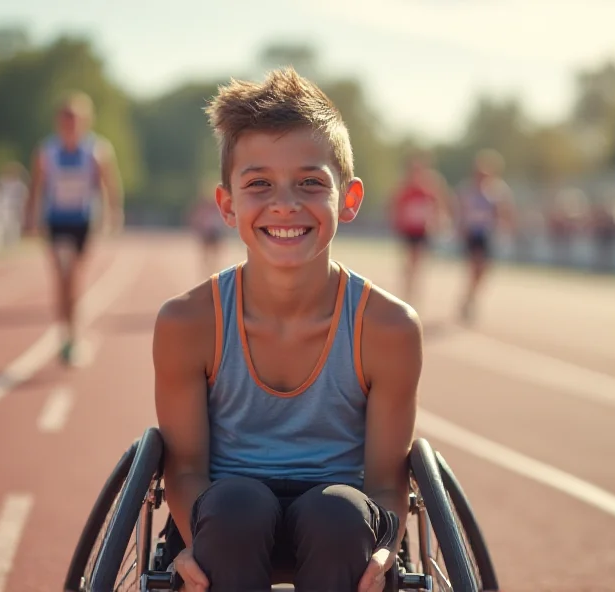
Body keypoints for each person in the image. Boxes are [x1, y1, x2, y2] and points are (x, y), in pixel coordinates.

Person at [152, 67, 422, 592]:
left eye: (310, 182)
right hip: (223, 522)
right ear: (227, 204)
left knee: (337, 513)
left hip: (342, 530)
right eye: (258, 184)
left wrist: (386, 548)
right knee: (237, 507)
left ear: (349, 198)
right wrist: (191, 545)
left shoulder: (387, 328)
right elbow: (184, 471)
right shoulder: (188, 323)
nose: (285, 203)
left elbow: (389, 481)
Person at [25, 92, 124, 365]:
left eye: (75, 119)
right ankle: (67, 337)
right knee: (62, 279)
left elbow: (109, 184)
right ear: (59, 121)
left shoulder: (97, 150)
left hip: (83, 222)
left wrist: (113, 213)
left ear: (85, 121)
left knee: (74, 280)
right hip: (56, 221)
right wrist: (29, 217)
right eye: (66, 119)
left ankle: (71, 334)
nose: (70, 124)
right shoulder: (47, 150)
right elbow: (36, 185)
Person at [451, 149, 515, 323]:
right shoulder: (467, 190)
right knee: (475, 266)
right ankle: (469, 299)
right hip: (472, 233)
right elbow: (460, 211)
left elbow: (505, 210)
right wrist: (459, 228)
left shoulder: (497, 190)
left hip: (488, 233)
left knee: (483, 270)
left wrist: (506, 227)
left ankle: (470, 296)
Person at [388, 154, 448, 308]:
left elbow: (438, 205)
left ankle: (413, 293)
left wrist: (438, 221)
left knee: (418, 262)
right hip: (408, 230)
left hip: (423, 231)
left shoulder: (429, 189)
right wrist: (396, 221)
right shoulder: (405, 189)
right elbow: (395, 206)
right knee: (410, 262)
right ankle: (407, 291)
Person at [189, 193, 225, 278]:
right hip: (207, 233)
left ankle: (212, 270)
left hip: (215, 233)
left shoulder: (217, 209)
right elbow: (197, 220)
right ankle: (208, 270)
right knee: (206, 254)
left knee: (214, 254)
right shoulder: (203, 210)